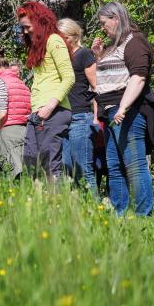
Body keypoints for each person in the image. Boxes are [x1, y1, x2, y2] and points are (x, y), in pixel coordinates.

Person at [92, 1, 154, 216]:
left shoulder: (135, 42)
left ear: (116, 19)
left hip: (126, 111)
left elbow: (138, 77)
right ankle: (119, 214)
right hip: (110, 111)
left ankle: (143, 215)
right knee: (114, 166)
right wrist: (99, 56)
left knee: (134, 165)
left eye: (104, 22)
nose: (102, 27)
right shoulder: (115, 47)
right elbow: (109, 78)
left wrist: (123, 108)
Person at [17, 1, 75, 178]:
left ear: (39, 21)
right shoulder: (39, 47)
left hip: (53, 112)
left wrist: (50, 106)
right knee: (31, 165)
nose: (26, 31)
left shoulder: (54, 40)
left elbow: (69, 77)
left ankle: (57, 204)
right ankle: (40, 204)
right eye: (23, 28)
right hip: (37, 114)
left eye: (27, 27)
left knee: (50, 165)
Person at [57, 18, 99, 195]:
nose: (60, 41)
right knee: (68, 170)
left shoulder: (84, 55)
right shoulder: (61, 58)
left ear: (73, 36)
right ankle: (78, 215)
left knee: (83, 169)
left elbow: (97, 87)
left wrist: (96, 117)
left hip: (81, 117)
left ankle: (96, 213)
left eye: (63, 37)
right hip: (63, 119)